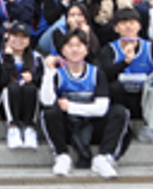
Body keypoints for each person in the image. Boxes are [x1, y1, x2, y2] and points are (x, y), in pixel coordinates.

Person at [40, 29, 131, 178]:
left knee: (119, 112)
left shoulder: (96, 73)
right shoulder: (57, 74)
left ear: (86, 50)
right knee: (50, 113)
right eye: (70, 46)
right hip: (69, 127)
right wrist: (49, 72)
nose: (74, 49)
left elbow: (101, 109)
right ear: (63, 51)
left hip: (92, 126)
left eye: (79, 45)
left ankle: (103, 158)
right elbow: (47, 101)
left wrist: (70, 107)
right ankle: (62, 156)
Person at [98, 8, 153, 145]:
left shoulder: (150, 47)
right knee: (113, 86)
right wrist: (126, 62)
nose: (128, 26)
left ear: (139, 26)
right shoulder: (109, 49)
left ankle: (151, 128)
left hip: (145, 96)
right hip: (122, 97)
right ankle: (123, 125)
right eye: (123, 23)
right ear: (116, 28)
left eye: (132, 22)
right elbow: (106, 74)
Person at [0, 22, 44, 149]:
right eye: (15, 36)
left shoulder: (36, 58)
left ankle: (30, 129)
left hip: (28, 102)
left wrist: (32, 78)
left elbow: (42, 81)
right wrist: (8, 58)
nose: (19, 40)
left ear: (29, 40)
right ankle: (13, 128)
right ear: (8, 37)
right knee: (12, 87)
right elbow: (1, 82)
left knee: (31, 88)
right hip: (7, 101)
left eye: (23, 37)